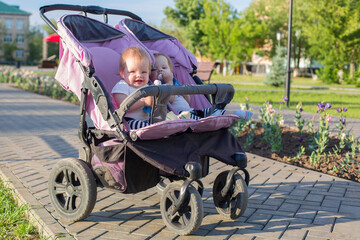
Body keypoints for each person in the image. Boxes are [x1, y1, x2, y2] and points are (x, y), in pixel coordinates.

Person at [151, 52, 253, 120]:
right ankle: (214, 118)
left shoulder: (174, 82)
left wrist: (185, 95)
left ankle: (234, 114)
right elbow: (171, 100)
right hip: (179, 116)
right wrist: (168, 81)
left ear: (171, 71)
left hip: (190, 111)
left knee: (211, 110)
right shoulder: (158, 87)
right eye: (155, 69)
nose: (160, 70)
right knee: (199, 120)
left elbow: (187, 101)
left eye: (164, 67)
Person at [111, 47, 153, 129]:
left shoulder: (147, 87)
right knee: (137, 125)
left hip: (145, 120)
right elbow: (123, 106)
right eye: (132, 71)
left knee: (159, 121)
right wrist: (144, 101)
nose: (139, 75)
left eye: (144, 72)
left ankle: (158, 129)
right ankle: (153, 130)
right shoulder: (122, 86)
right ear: (122, 73)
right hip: (127, 121)